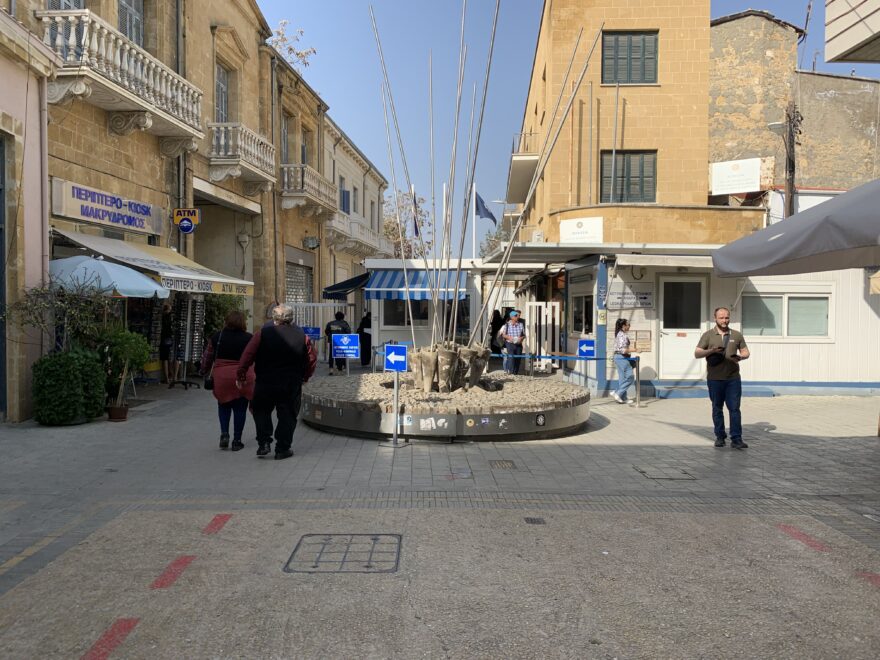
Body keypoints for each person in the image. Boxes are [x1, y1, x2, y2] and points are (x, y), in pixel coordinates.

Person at [237, 304, 317, 460]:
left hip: (265, 381)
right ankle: (282, 448)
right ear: (291, 318)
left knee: (260, 411)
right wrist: (305, 376)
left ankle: (264, 443)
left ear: (274, 318)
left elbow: (247, 355)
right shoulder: (302, 336)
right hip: (290, 382)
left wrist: (241, 375)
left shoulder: (262, 334)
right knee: (288, 414)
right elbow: (311, 359)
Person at [695, 307, 751, 449]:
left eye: (726, 317)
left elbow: (746, 352)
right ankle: (720, 437)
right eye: (721, 318)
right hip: (715, 379)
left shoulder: (737, 335)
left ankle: (736, 438)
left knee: (734, 409)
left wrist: (741, 357)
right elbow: (697, 353)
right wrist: (711, 350)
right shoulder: (708, 335)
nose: (724, 320)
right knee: (717, 408)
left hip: (733, 378)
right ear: (715, 318)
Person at [201, 311, 254, 451]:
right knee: (240, 408)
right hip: (242, 377)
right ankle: (237, 441)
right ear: (243, 322)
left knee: (223, 405)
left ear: (227, 321)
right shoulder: (249, 338)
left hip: (222, 377)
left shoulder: (217, 337)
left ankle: (224, 434)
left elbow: (207, 357)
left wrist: (203, 370)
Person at [611, 318, 636, 405]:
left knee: (622, 378)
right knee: (630, 377)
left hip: (618, 357)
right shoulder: (622, 335)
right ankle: (618, 393)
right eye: (628, 324)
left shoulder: (620, 334)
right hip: (622, 357)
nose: (629, 326)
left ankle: (622, 397)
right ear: (623, 326)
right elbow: (623, 350)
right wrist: (635, 349)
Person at [324, 311, 351, 375]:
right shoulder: (344, 324)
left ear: (335, 317)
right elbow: (349, 332)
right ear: (343, 317)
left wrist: (331, 335)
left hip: (332, 341)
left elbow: (326, 332)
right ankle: (340, 369)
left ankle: (331, 369)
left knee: (331, 355)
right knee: (340, 354)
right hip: (341, 341)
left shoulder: (330, 323)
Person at [500, 310, 526, 375]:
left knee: (518, 358)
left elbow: (523, 335)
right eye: (516, 315)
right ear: (511, 317)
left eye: (518, 315)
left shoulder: (521, 324)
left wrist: (521, 339)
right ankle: (510, 372)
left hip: (518, 344)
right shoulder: (507, 325)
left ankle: (515, 372)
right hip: (510, 343)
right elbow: (503, 334)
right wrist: (509, 338)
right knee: (511, 358)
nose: (517, 317)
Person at [159, 302, 178, 387]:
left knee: (165, 359)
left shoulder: (162, 317)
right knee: (174, 357)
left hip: (164, 339)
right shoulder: (174, 318)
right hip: (172, 339)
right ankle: (175, 377)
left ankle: (167, 378)